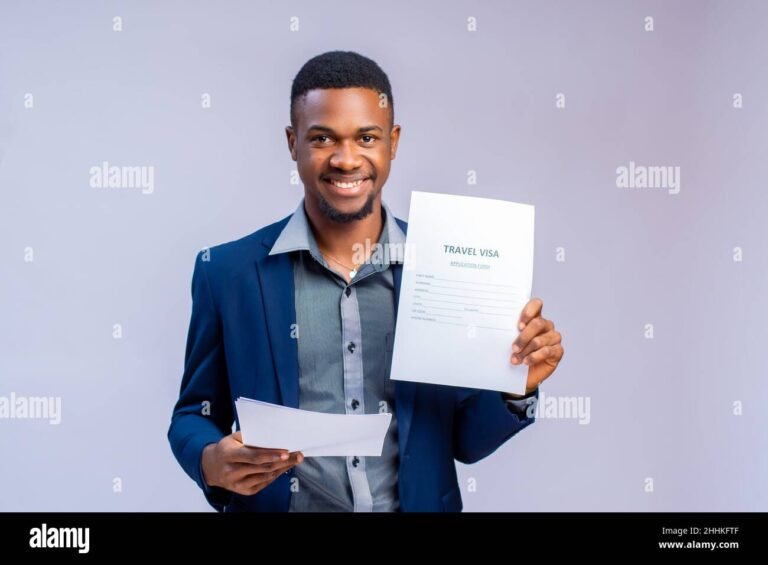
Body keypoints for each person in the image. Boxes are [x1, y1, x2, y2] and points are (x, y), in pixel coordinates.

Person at [167, 50, 564, 512]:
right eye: (322, 138)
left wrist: (515, 385)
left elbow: (466, 443)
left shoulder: (443, 268)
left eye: (366, 137)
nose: (346, 159)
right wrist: (211, 460)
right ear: (292, 143)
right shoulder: (227, 273)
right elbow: (193, 414)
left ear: (392, 142)